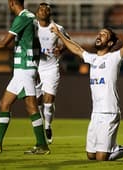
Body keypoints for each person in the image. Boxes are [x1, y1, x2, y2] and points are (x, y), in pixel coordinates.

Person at [51, 11, 123, 161]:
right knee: (91, 155)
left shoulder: (113, 58)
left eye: (104, 34)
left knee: (101, 158)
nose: (99, 36)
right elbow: (77, 49)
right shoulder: (92, 59)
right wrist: (59, 34)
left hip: (109, 112)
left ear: (110, 43)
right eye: (99, 33)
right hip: (96, 114)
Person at [0, 0, 50, 155]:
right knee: (4, 103)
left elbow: (4, 43)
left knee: (31, 106)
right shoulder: (32, 17)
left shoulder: (22, 17)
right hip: (22, 69)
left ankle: (42, 145)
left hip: (24, 68)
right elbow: (33, 42)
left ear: (11, 3)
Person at [35, 2, 70, 144]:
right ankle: (41, 123)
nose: (43, 11)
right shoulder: (31, 26)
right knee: (36, 101)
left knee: (48, 101)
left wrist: (61, 50)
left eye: (46, 9)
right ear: (37, 13)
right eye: (41, 9)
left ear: (50, 13)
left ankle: (47, 126)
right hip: (34, 67)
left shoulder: (57, 28)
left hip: (51, 68)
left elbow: (68, 42)